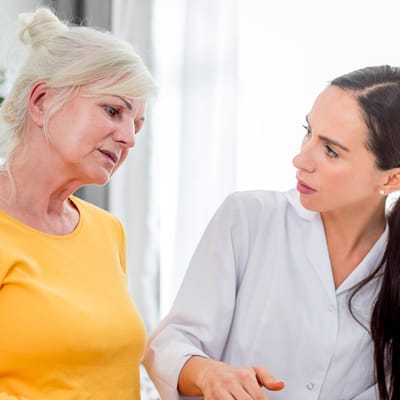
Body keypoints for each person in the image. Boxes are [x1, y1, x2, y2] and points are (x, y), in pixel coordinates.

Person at [144, 64, 400, 400]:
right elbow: (169, 344)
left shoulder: (392, 265)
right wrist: (208, 374)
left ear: (390, 179)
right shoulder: (249, 219)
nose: (301, 159)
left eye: (331, 150)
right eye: (308, 132)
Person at [0, 7, 156, 400]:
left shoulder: (108, 231)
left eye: (136, 125)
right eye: (113, 111)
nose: (129, 138)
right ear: (40, 102)